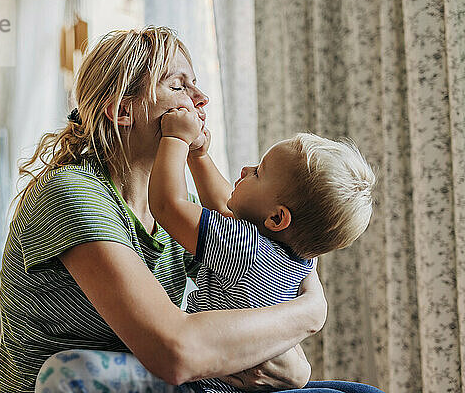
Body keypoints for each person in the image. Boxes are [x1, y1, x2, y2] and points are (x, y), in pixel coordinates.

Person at [0, 26, 378, 393]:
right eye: (178, 85)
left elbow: (265, 310)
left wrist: (297, 367)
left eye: (194, 83)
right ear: (121, 111)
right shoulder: (73, 195)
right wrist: (311, 313)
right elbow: (176, 353)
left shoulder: (178, 213)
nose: (200, 98)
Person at [148, 110, 376, 392]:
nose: (245, 170)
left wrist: (176, 137)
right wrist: (200, 157)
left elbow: (167, 206)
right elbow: (224, 207)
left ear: (277, 219)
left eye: (258, 173)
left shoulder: (246, 248)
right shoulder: (299, 259)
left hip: (205, 386)